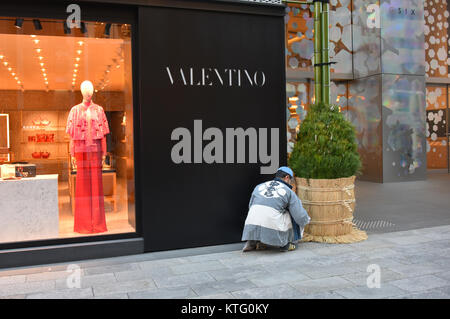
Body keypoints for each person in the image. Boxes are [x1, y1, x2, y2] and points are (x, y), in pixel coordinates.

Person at [241, 166, 310, 252]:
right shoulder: (288, 191)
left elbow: (251, 206)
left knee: (257, 211)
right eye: (290, 180)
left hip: (251, 225)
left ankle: (252, 242)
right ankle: (285, 244)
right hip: (273, 227)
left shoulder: (259, 186)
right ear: (287, 177)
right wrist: (306, 220)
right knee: (292, 214)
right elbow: (300, 215)